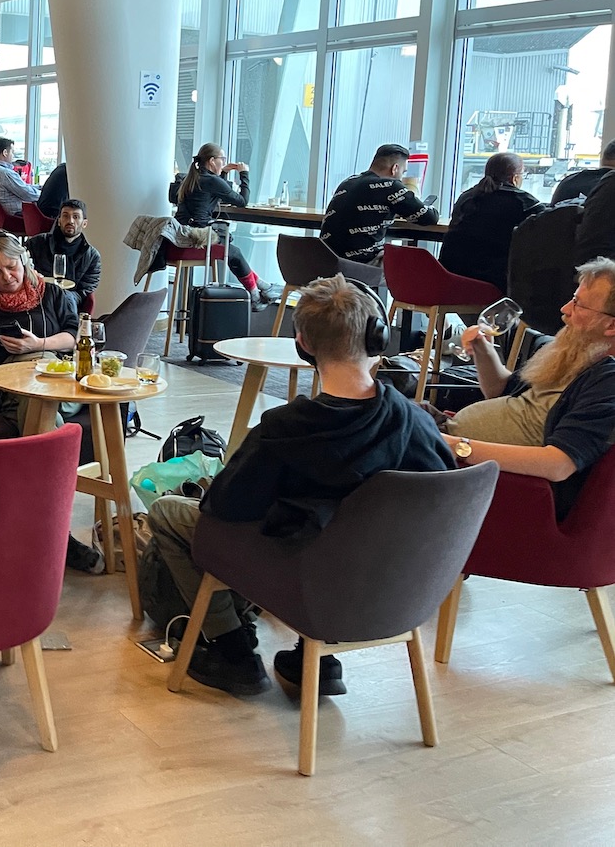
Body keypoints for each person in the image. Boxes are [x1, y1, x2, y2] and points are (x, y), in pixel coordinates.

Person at [147, 275, 453, 697]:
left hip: (306, 580)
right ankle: (319, 658)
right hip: (396, 586)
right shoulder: (415, 421)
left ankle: (231, 648)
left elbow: (225, 508)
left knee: (167, 512)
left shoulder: (286, 431)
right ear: (376, 336)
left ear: (302, 343)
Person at [0, 229, 101, 572]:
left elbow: (73, 337)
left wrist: (37, 345)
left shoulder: (53, 294)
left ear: (24, 260)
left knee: (45, 405)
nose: (6, 277)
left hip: (59, 386)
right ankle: (56, 534)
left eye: (11, 267)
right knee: (39, 408)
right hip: (7, 394)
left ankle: (41, 531)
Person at [439, 258, 615, 522]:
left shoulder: (607, 381)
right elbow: (501, 392)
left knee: (378, 430)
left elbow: (558, 464)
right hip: (454, 440)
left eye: (579, 304)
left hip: (486, 477)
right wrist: (482, 349)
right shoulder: (573, 352)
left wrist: (458, 447)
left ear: (611, 326)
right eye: (573, 298)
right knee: (374, 411)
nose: (565, 309)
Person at [174, 143, 280, 311]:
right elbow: (242, 201)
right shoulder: (210, 180)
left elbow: (216, 193)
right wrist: (244, 174)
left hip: (181, 233)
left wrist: (223, 172)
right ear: (211, 161)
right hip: (197, 236)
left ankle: (261, 288)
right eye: (222, 159)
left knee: (232, 250)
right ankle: (255, 294)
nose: (224, 162)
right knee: (234, 252)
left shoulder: (192, 177)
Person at [439, 152, 544, 293]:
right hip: (492, 280)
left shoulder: (466, 197)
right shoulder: (524, 203)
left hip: (450, 275)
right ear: (515, 178)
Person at [320, 143, 439, 265]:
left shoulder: (347, 182)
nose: (402, 177)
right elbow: (429, 217)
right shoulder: (391, 185)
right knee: (410, 268)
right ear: (395, 169)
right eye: (403, 172)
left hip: (325, 261)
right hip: (360, 265)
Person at [27, 198, 102, 309]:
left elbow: (85, 291)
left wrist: (61, 298)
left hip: (68, 304)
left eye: (76, 217)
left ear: (84, 223)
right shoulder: (37, 243)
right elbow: (23, 271)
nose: (70, 221)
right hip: (36, 298)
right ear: (59, 220)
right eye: (65, 216)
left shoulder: (92, 257)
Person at [0, 136, 40, 218]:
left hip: (0, 218)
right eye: (12, 152)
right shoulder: (5, 173)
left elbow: (23, 188)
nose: (13, 156)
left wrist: (39, 187)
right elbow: (28, 194)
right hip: (15, 218)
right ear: (5, 153)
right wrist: (45, 194)